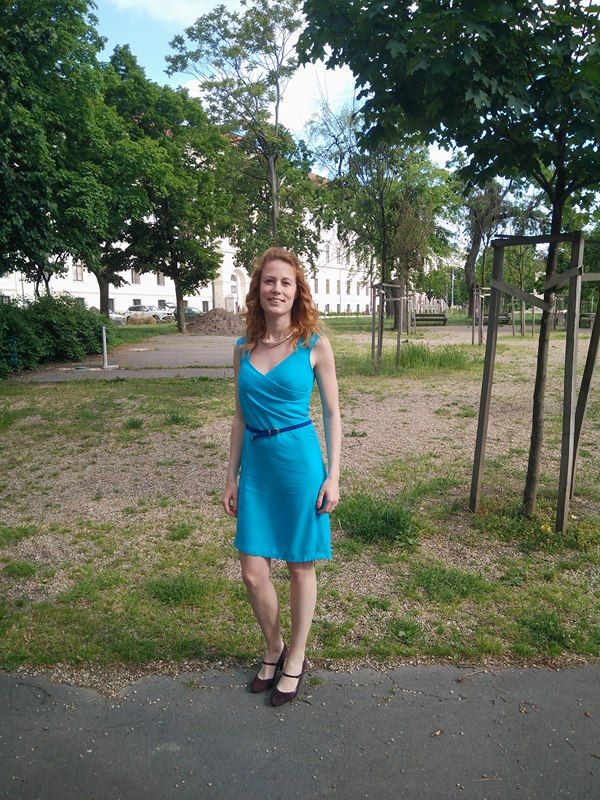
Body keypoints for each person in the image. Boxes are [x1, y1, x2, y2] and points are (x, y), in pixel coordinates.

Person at [222, 246, 341, 706]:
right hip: (257, 467)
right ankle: (274, 647)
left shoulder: (314, 345)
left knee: (298, 564)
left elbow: (332, 413)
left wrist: (334, 475)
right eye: (269, 281)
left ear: (297, 291)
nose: (277, 289)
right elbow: (238, 416)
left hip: (299, 465)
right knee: (253, 572)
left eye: (285, 282)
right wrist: (230, 477)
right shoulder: (242, 348)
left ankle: (297, 656)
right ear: (258, 290)